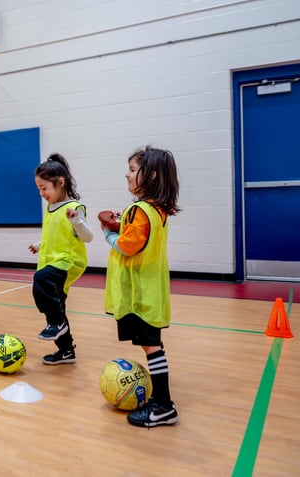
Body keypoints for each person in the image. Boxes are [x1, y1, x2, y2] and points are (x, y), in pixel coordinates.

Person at [101, 145, 180, 427]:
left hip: (139, 295)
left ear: (152, 174)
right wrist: (123, 222)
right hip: (152, 292)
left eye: (133, 170)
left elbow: (128, 246)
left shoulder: (139, 209)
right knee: (153, 345)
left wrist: (108, 234)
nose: (127, 175)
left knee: (151, 347)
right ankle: (161, 400)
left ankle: (163, 405)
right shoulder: (157, 210)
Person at [28, 154, 93, 365]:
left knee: (41, 280)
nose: (41, 193)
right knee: (57, 307)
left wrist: (77, 222)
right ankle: (66, 351)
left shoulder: (74, 208)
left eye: (44, 188)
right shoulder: (50, 208)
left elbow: (88, 237)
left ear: (60, 182)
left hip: (69, 261)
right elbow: (53, 234)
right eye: (38, 188)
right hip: (52, 260)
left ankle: (56, 324)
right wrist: (39, 245)